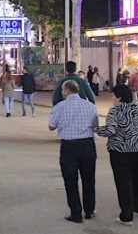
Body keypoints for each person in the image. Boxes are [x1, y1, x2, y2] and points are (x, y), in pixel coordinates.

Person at [95, 85, 138, 226]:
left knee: (123, 182)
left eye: (113, 95)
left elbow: (110, 130)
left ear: (119, 97)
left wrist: (97, 130)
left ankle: (126, 216)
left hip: (120, 151)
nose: (112, 98)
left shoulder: (115, 111)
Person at [48, 80, 99, 223]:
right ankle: (89, 211)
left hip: (68, 147)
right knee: (89, 179)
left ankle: (76, 213)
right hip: (87, 145)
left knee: (70, 181)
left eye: (63, 91)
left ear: (67, 91)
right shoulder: (90, 106)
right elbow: (96, 127)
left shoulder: (59, 107)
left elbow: (51, 126)